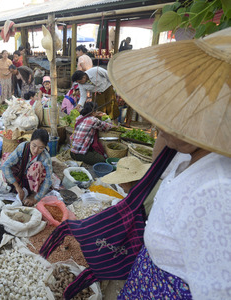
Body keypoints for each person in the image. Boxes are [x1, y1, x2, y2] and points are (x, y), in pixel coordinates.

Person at [108, 28, 231, 299]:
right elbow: (158, 166)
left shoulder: (217, 189)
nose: (158, 125)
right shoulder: (191, 154)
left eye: (173, 114)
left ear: (206, 121)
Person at [1, 129, 53, 207]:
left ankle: (32, 193)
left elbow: (48, 180)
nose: (36, 150)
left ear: (45, 147)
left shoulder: (45, 157)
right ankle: (14, 186)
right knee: (6, 157)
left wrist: (35, 199)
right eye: (34, 145)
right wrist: (17, 187)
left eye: (41, 148)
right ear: (30, 141)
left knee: (37, 166)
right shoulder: (23, 147)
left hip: (32, 181)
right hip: (20, 174)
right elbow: (5, 166)